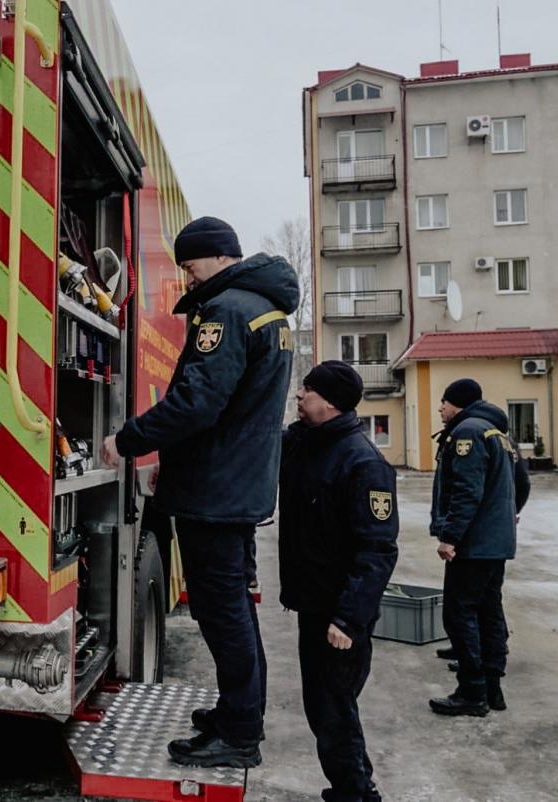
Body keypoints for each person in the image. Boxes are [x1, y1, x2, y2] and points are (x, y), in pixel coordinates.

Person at [101, 216, 298, 768]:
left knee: (223, 614)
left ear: (216, 256)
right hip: (232, 489)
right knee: (233, 610)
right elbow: (226, 412)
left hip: (217, 495)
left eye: (189, 267)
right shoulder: (266, 311)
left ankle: (238, 735)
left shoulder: (228, 312)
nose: (187, 279)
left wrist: (128, 439)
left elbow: (196, 404)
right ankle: (240, 714)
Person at [279, 362, 398, 802]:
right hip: (314, 604)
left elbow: (378, 550)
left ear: (329, 401)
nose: (299, 396)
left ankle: (356, 793)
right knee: (327, 708)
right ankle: (352, 787)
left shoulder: (363, 463)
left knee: (333, 711)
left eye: (306, 390)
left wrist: (348, 619)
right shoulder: (307, 444)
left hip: (339, 616)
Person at [428, 379, 529, 716]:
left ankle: (472, 692)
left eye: (443, 402)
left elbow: (465, 490)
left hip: (474, 542)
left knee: (459, 613)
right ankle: (492, 687)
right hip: (494, 540)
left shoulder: (467, 433)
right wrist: (507, 514)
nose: (440, 409)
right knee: (488, 610)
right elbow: (522, 483)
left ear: (457, 403)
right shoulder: (497, 433)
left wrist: (450, 536)